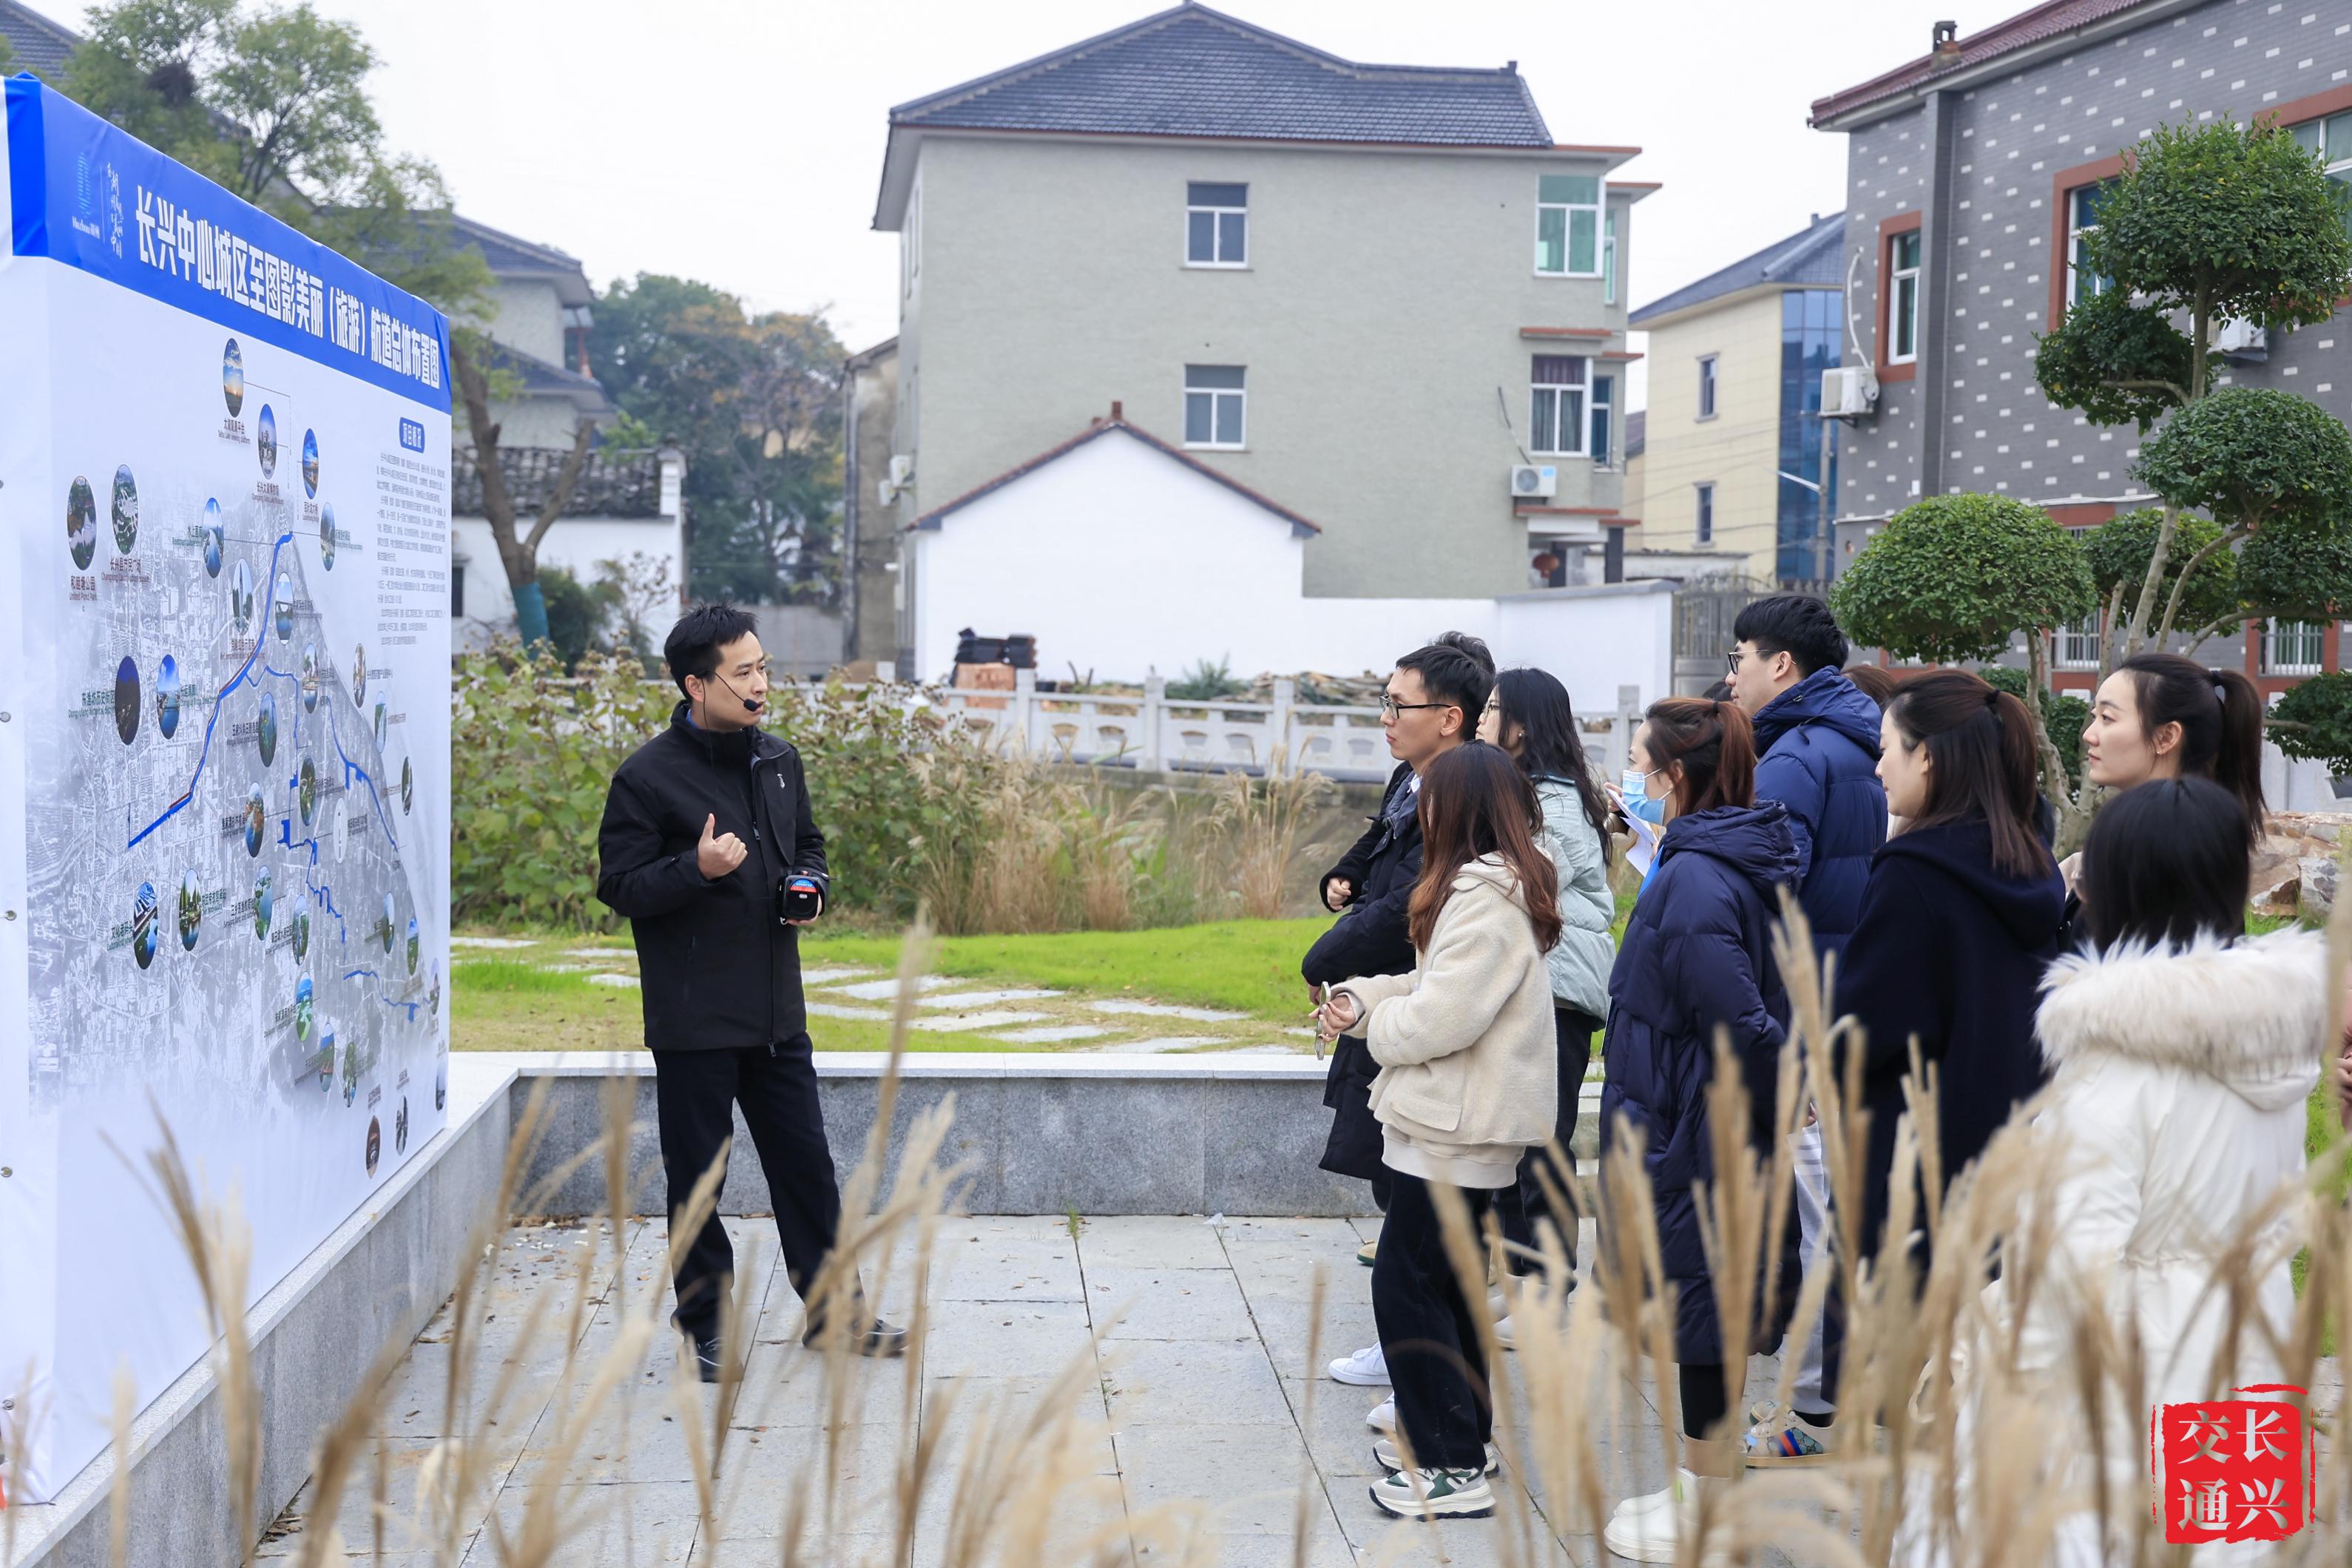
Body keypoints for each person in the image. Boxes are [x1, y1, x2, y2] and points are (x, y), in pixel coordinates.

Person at [1917, 778, 2323, 1565]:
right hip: (2252, 1359)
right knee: (2238, 1547)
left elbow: (2068, 1271)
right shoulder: (2280, 1043)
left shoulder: (2115, 1068)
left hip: (2126, 1394)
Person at [597, 604, 905, 1379]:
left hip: (775, 1012)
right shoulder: (646, 775)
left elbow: (807, 842)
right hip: (695, 1016)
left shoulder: (778, 759)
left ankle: (835, 1312)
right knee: (698, 1178)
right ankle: (704, 1323)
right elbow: (621, 885)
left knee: (806, 1166)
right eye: (744, 671)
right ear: (697, 684)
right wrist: (694, 869)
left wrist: (811, 882)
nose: (761, 682)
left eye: (764, 667)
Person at [1314, 743, 1561, 1521]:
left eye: (1430, 799)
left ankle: (1452, 1463)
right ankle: (1460, 1440)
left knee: (1410, 1282)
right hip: (1455, 1117)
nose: (1418, 811)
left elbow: (1446, 1014)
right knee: (1447, 1286)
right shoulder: (1480, 885)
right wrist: (1359, 1001)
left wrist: (1375, 1025)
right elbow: (1430, 983)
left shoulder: (1487, 895)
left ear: (1457, 809)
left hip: (1461, 1123)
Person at [1598, 698, 1800, 1561]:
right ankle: (1703, 1492)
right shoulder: (1718, 855)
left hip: (1694, 1129)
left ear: (1677, 774)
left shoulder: (1694, 878)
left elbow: (1742, 1019)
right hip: (1699, 1119)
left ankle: (1707, 1514)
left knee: (1703, 1317)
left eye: (1644, 767)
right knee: (1705, 1312)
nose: (1637, 781)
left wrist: (1785, 1086)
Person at [1834, 669, 2064, 1296]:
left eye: (1886, 749)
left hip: (1916, 1174)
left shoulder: (1914, 875)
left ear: (1928, 757)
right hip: (2012, 1160)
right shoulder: (2030, 860)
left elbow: (1863, 1032)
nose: (1878, 769)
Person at [1304, 632, 1493, 1390]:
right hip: (1382, 993)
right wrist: (1339, 876)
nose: (1385, 715)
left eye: (1397, 702)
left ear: (1449, 716)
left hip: (1412, 1004)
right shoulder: (1411, 779)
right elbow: (1375, 854)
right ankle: (1418, 1345)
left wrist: (1324, 960)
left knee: (1413, 1190)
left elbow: (1406, 901)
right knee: (1389, 1171)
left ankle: (1422, 1356)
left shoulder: (1462, 792)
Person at [1475, 669, 1613, 1346]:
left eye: (1494, 708)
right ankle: (1532, 1288)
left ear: (1521, 729)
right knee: (1522, 1141)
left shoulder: (1549, 804)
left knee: (1541, 1145)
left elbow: (1528, 886)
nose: (1482, 716)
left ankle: (1551, 1297)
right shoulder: (1538, 794)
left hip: (1555, 990)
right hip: (1543, 983)